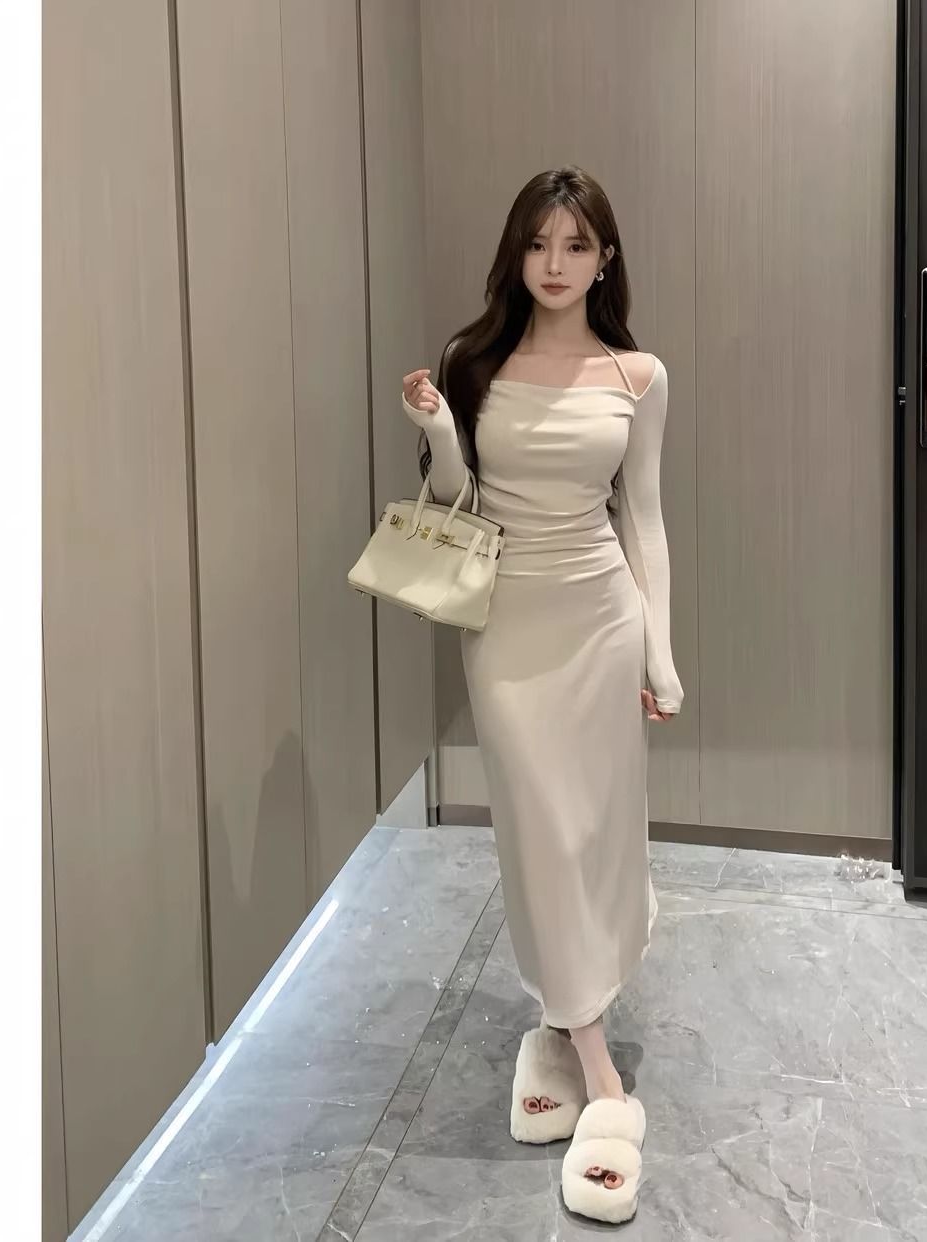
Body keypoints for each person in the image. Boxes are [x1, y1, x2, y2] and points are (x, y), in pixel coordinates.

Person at [400, 165, 683, 1224]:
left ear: (605, 259)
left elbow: (644, 518)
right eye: (537, 243)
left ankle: (566, 1021)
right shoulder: (473, 362)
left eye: (575, 245)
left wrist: (661, 653)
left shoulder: (638, 377)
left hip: (603, 619)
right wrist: (438, 428)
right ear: (515, 253)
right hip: (507, 625)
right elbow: (454, 499)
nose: (554, 264)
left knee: (598, 832)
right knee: (541, 831)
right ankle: (601, 1071)